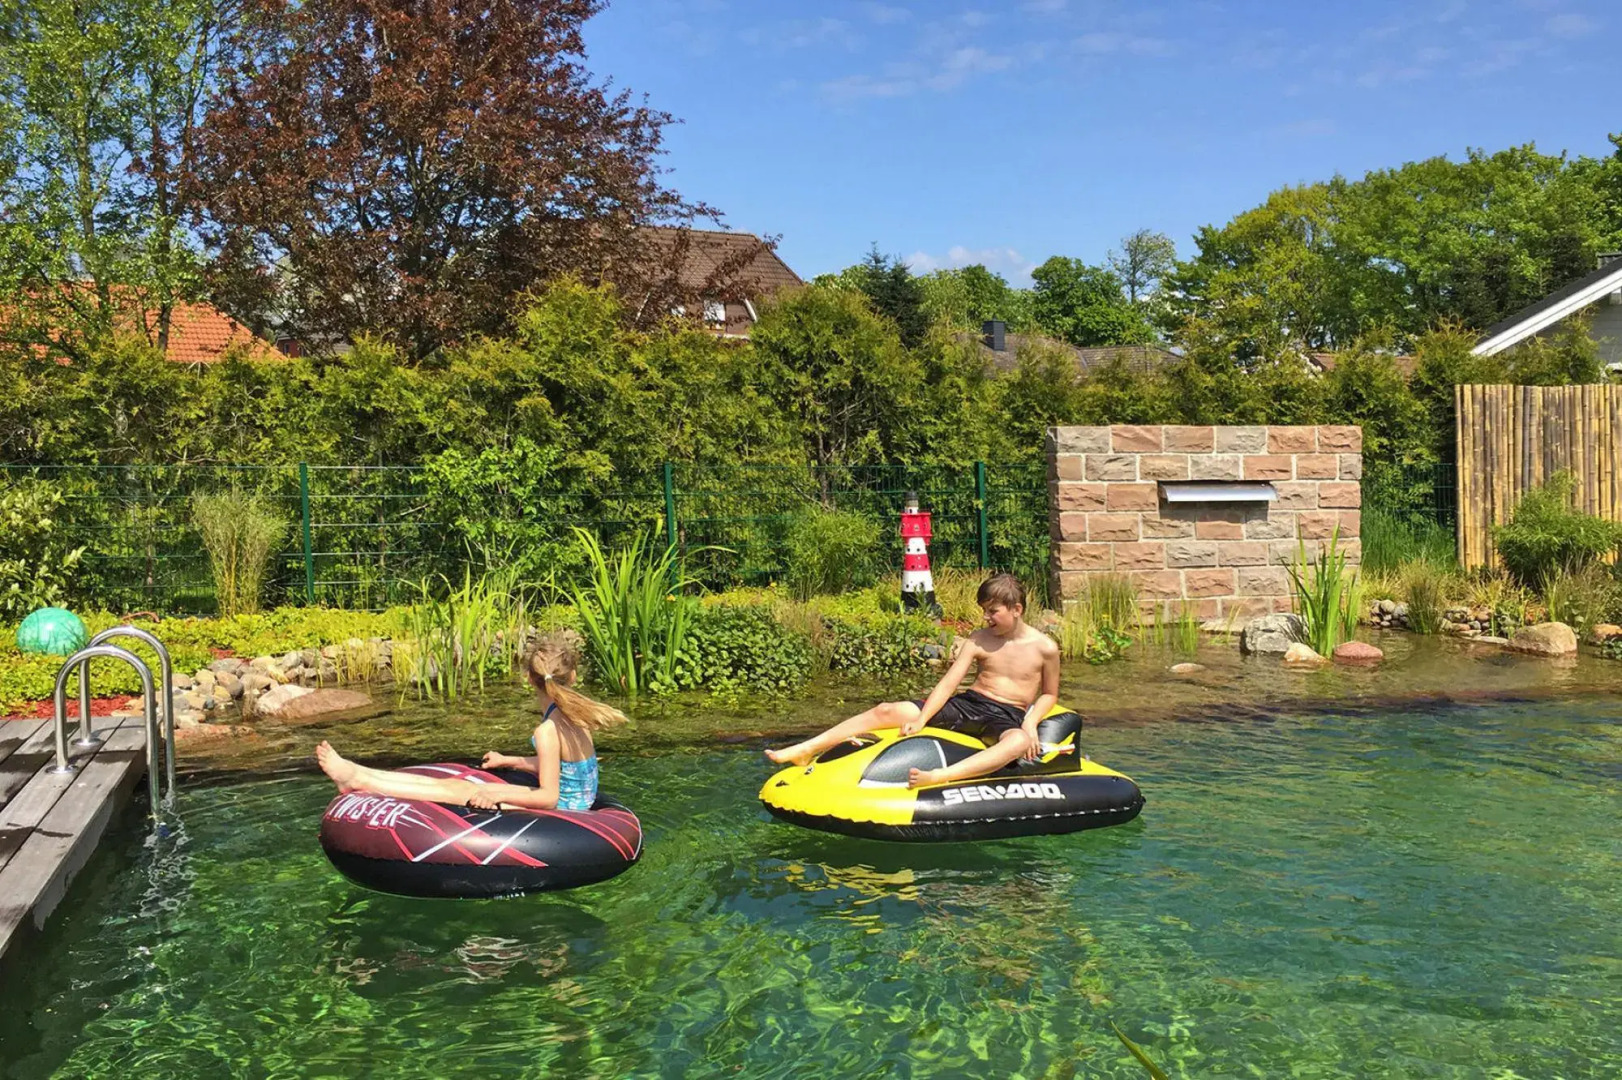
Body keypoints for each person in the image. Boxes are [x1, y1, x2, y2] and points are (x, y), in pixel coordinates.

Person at [766, 573, 1060, 788]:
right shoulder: (978, 639)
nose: (985, 617)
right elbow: (949, 683)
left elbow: (1049, 693)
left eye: (992, 611)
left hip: (1006, 715)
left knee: (1018, 741)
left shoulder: (1045, 647)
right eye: (984, 610)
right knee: (887, 710)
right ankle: (807, 748)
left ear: (1016, 610)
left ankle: (940, 777)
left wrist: (1030, 723)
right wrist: (922, 719)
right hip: (968, 704)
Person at [315, 639, 627, 811]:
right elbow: (564, 766)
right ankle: (359, 774)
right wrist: (510, 760)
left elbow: (547, 796)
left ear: (527, 679)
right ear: (571, 678)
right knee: (458, 786)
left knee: (456, 789)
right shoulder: (579, 715)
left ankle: (358, 778)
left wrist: (497, 796)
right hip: (577, 801)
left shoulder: (546, 731)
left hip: (565, 811)